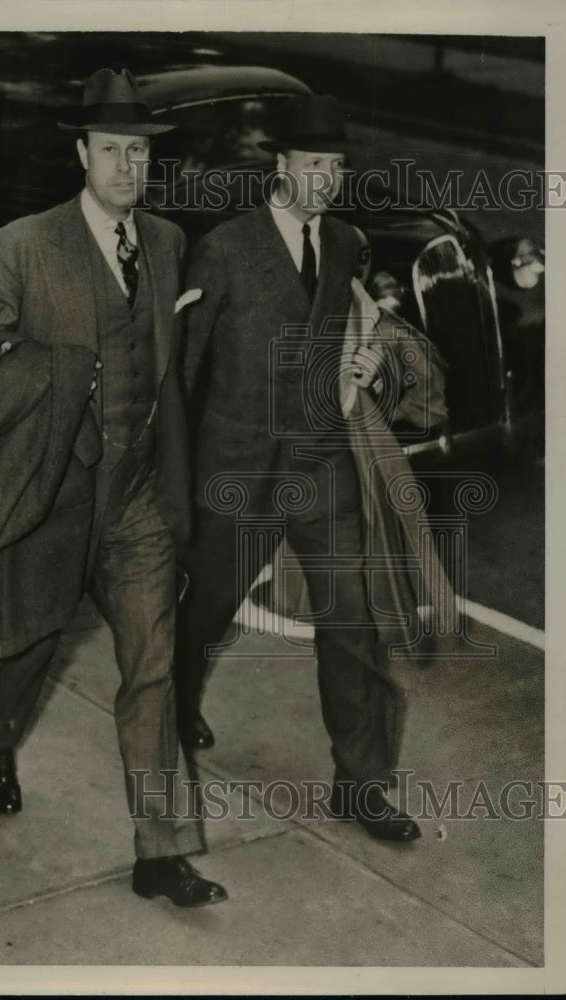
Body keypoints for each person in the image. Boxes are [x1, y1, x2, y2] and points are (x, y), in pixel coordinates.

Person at [0, 68, 226, 908]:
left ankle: (161, 853)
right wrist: (62, 379)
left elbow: (166, 372)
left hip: (137, 501)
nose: (128, 166)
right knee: (32, 648)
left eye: (140, 153)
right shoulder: (21, 246)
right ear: (81, 154)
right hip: (48, 499)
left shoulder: (163, 242)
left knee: (150, 668)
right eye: (111, 149)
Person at [175, 93, 450, 844]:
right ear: (281, 166)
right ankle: (172, 706)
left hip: (320, 462)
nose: (327, 177)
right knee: (205, 610)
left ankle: (361, 786)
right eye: (313, 163)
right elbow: (185, 369)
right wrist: (171, 474)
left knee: (351, 620)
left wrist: (366, 362)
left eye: (336, 164)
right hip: (234, 465)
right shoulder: (224, 248)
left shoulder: (344, 243)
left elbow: (353, 323)